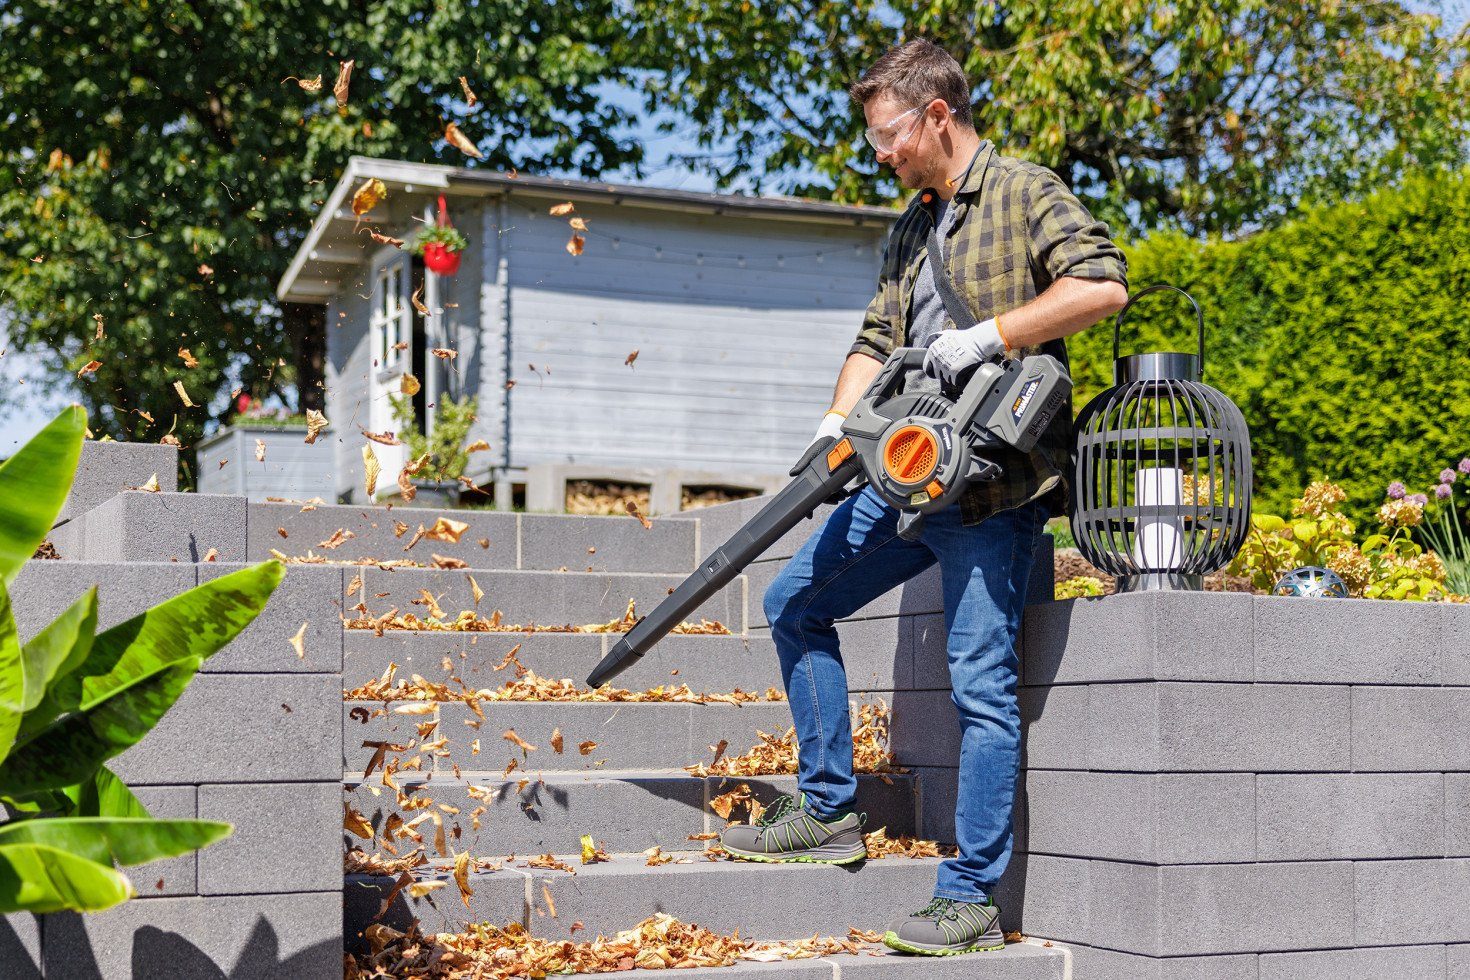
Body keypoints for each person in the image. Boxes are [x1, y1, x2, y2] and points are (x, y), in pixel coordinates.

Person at [718, 38, 1129, 956]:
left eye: (890, 134)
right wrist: (836, 424)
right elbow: (876, 336)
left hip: (992, 492)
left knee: (982, 687)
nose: (883, 153)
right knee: (795, 604)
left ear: (937, 115)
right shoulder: (911, 225)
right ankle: (828, 810)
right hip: (900, 473)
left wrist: (991, 334)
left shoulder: (1025, 191)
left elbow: (1102, 285)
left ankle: (970, 896)